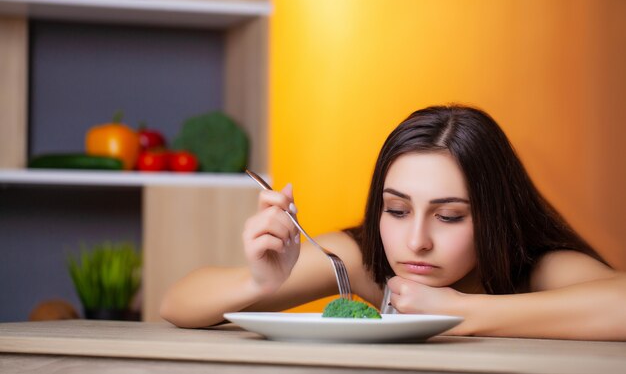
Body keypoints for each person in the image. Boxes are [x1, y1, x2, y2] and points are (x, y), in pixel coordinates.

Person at [160, 105, 626, 340]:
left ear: (495, 216)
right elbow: (177, 303)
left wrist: (463, 314)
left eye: (449, 216)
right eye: (397, 210)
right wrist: (259, 283)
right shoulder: (363, 261)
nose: (415, 241)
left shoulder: (533, 264)